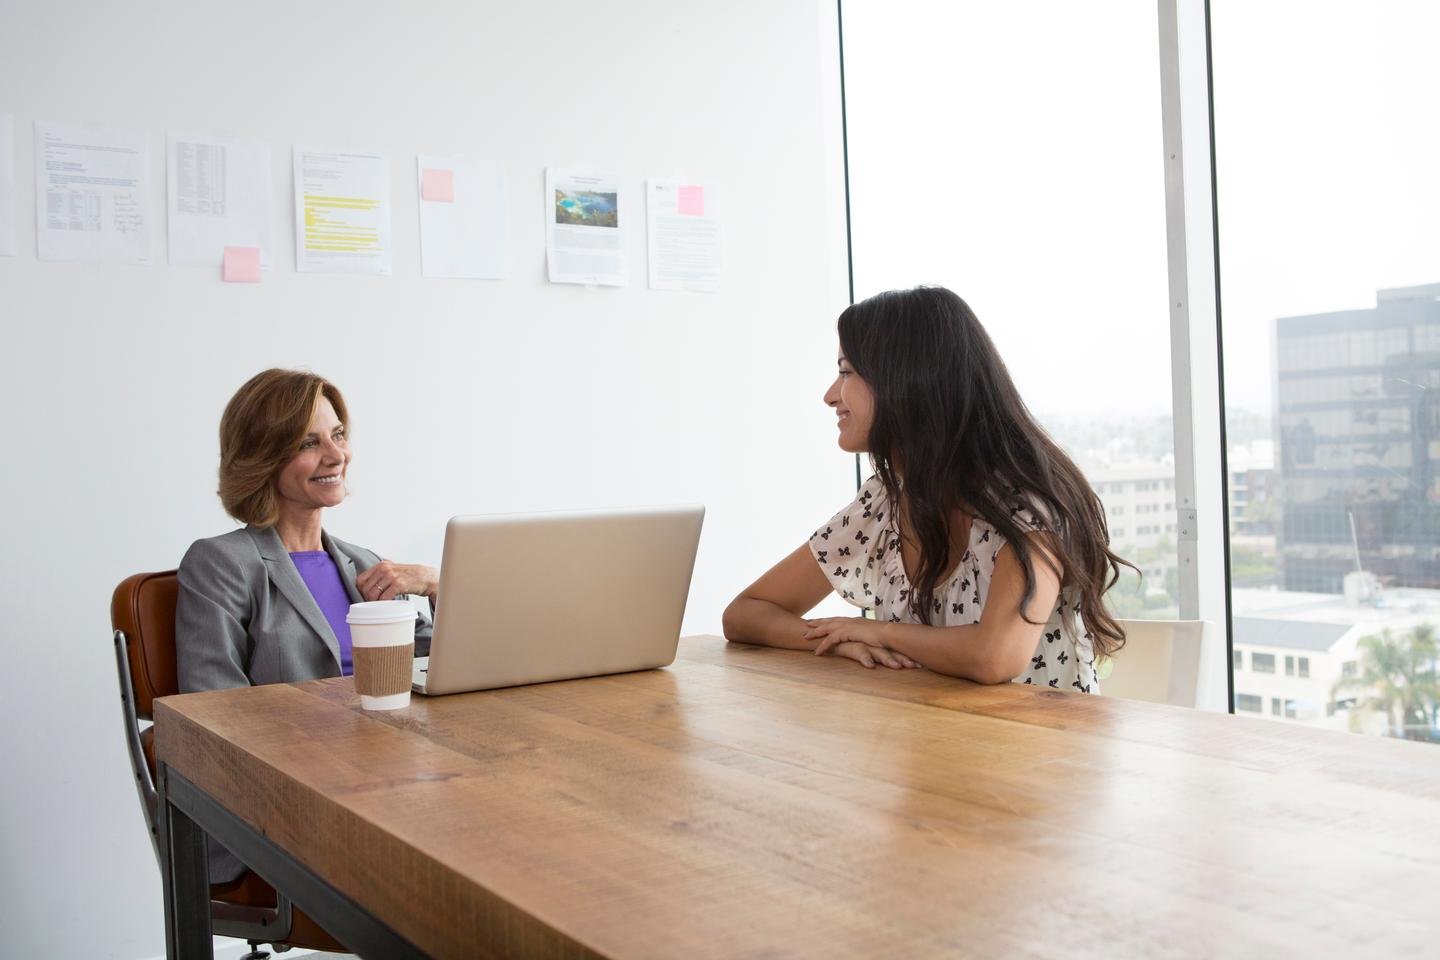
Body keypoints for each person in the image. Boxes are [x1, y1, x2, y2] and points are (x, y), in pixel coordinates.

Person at [722, 286, 1131, 692]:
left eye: (846, 371)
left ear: (905, 381)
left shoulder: (1025, 507)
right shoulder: (885, 501)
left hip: (1036, 750)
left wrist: (878, 633)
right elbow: (745, 614)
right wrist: (841, 642)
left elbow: (996, 656)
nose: (831, 395)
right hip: (931, 742)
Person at [176, 368, 437, 882]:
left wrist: (436, 585)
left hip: (393, 782)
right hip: (286, 804)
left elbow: (446, 674)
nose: (336, 455)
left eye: (338, 435)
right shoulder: (221, 563)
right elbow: (217, 712)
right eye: (308, 443)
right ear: (262, 457)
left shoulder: (365, 564)